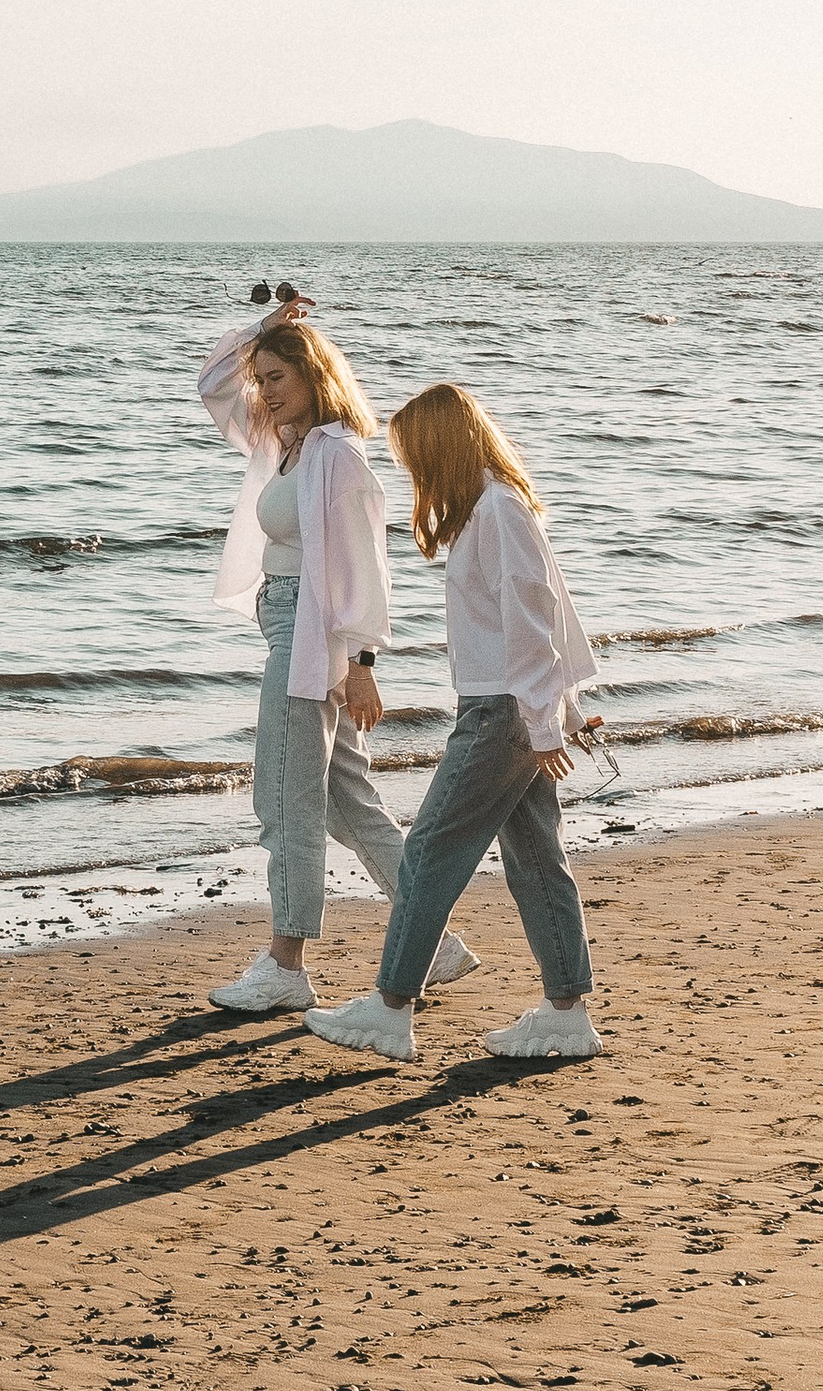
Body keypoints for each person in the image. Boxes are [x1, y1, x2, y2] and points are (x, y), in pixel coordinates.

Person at [305, 381, 600, 1064]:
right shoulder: (493, 508)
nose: (412, 470)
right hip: (516, 708)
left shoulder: (498, 508)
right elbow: (545, 614)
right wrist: (562, 709)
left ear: (444, 445)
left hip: (502, 715)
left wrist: (548, 720)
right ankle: (566, 1014)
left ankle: (391, 1007)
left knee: (427, 854)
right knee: (535, 861)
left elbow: (533, 616)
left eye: (415, 456)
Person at [194, 294, 475, 1013]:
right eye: (263, 379)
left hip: (313, 638)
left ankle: (287, 962)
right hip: (289, 624)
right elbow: (212, 382)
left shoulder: (338, 456)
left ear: (316, 377)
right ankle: (435, 941)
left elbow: (365, 565)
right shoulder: (281, 441)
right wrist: (265, 329)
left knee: (285, 800)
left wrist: (359, 664)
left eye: (278, 376)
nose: (263, 390)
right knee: (344, 802)